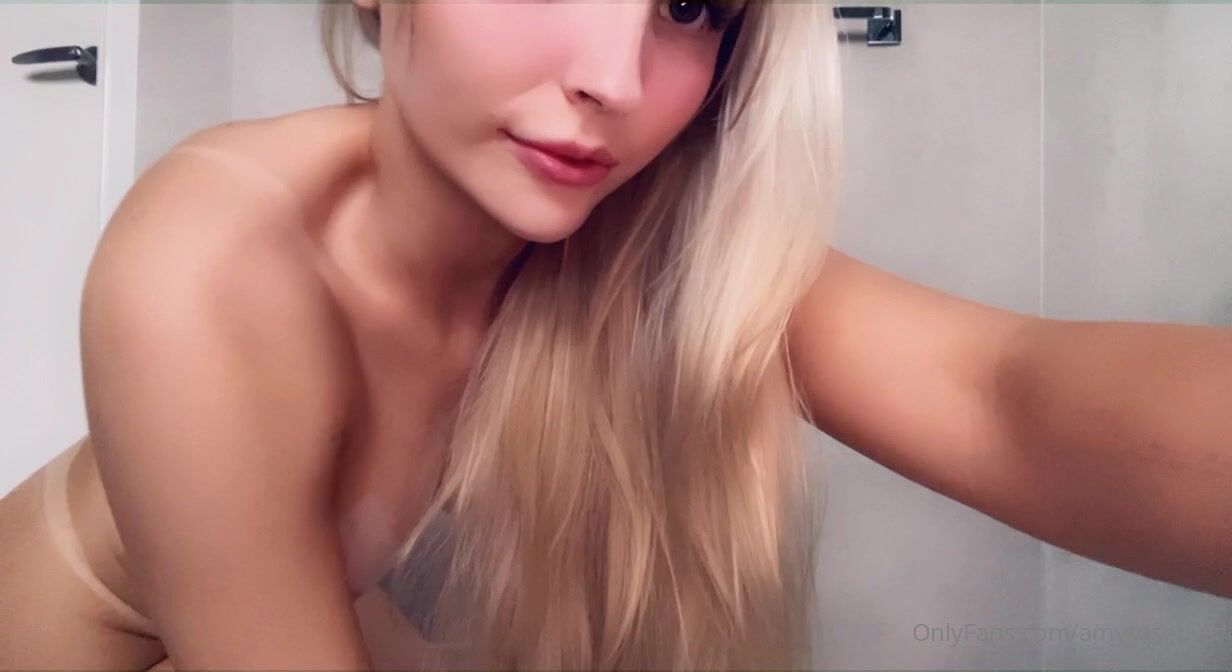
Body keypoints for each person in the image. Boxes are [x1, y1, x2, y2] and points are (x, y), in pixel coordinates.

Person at [2, 0, 1230, 669]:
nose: (617, 77)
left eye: (687, 5)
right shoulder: (213, 259)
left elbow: (996, 396)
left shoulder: (640, 244)